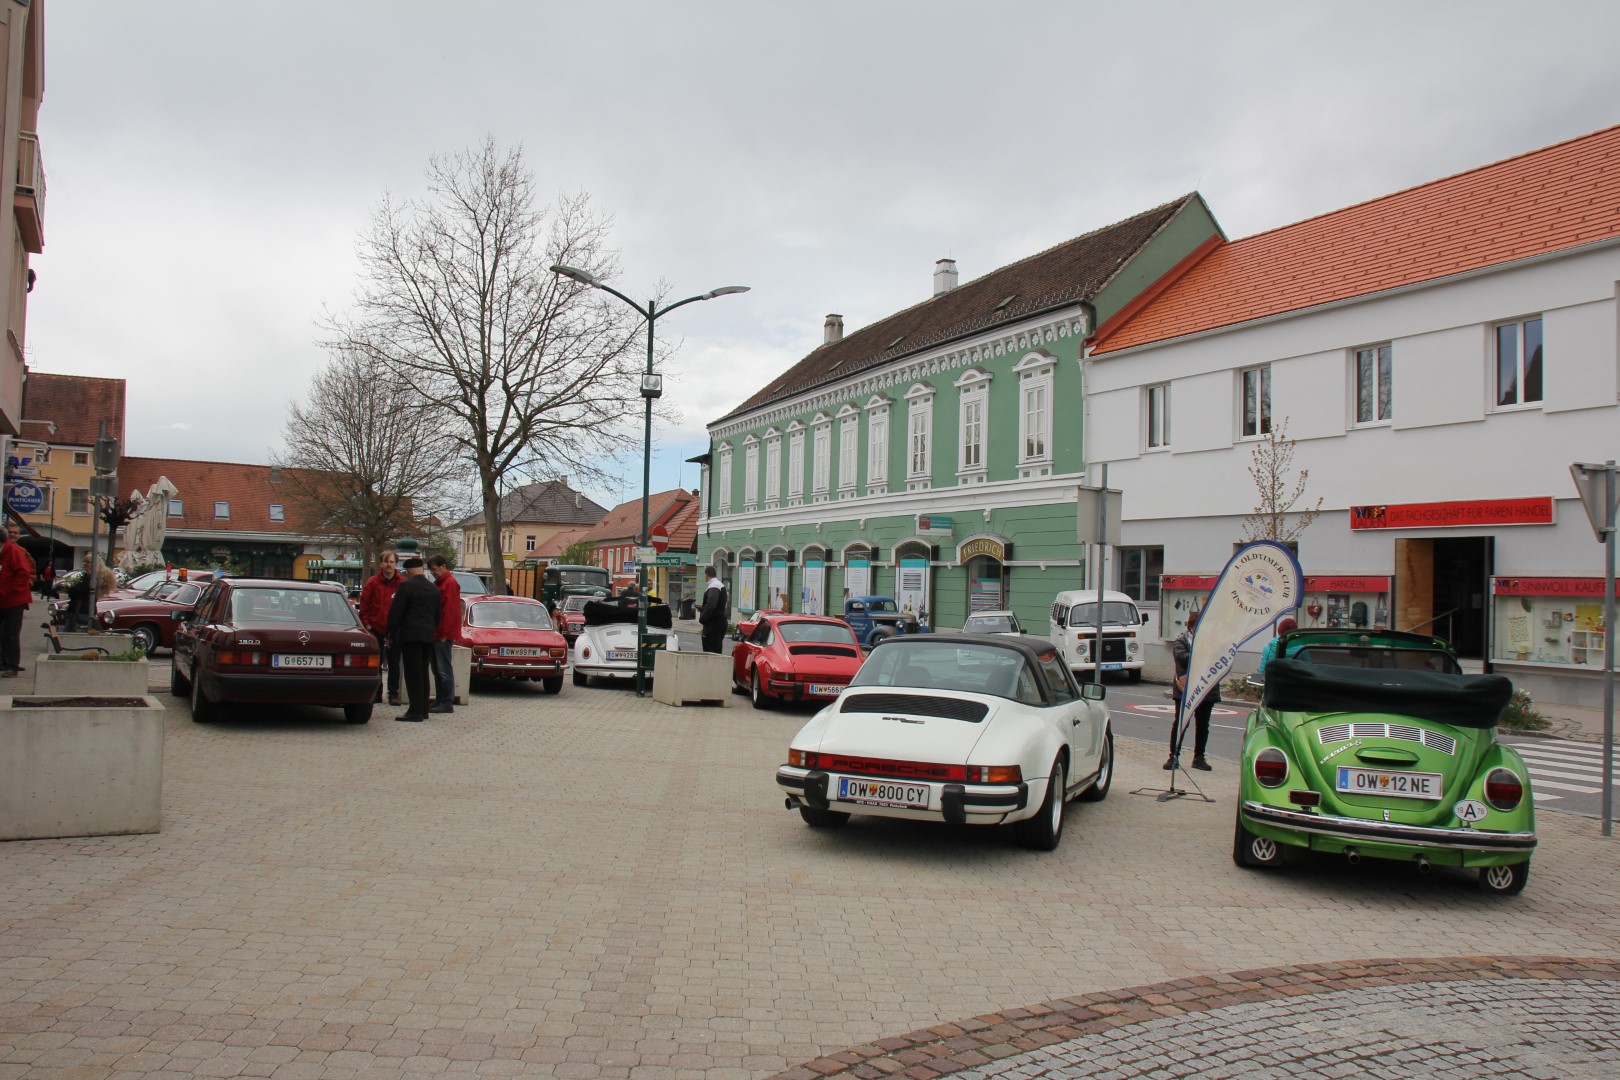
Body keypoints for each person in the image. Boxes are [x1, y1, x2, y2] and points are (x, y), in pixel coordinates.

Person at [385, 557, 440, 722]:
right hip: (428, 635)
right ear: (422, 569)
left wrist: (390, 634)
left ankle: (414, 711)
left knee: (412, 673)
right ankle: (423, 709)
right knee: (423, 672)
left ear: (408, 571)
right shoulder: (433, 589)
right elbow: (437, 615)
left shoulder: (406, 586)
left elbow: (396, 613)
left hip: (410, 635)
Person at [1167, 609, 1216, 772]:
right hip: (1185, 689)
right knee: (1181, 723)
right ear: (1191, 627)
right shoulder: (1181, 641)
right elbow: (1182, 658)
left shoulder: (1210, 642)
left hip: (1206, 689)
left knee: (1203, 725)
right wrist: (1201, 653)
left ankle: (1199, 757)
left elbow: (1216, 660)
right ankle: (1173, 756)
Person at [359, 552, 404, 705]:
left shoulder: (402, 584)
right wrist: (368, 625)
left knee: (394, 663)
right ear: (381, 564)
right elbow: (364, 607)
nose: (388, 565)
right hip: (375, 629)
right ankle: (377, 693)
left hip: (394, 630)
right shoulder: (372, 583)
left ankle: (393, 694)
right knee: (375, 663)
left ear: (396, 564)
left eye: (391, 562)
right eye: (386, 562)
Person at [427, 555, 460, 714]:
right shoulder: (441, 583)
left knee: (443, 668)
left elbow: (449, 611)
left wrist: (444, 632)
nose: (433, 572)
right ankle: (440, 699)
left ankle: (446, 701)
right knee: (437, 668)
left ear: (443, 566)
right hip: (438, 632)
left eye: (435, 569)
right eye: (431, 570)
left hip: (442, 634)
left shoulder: (449, 583)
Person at [0, 525, 34, 677]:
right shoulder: (4, 552)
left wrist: (9, 590)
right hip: (4, 600)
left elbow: (24, 572)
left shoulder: (13, 552)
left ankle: (12, 666)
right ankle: (4, 663)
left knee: (11, 633)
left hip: (14, 600)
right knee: (3, 633)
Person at [698, 567, 727, 654]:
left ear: (707, 574)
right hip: (719, 622)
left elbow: (711, 606)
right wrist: (702, 608)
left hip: (713, 625)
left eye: (704, 574)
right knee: (716, 649)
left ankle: (712, 668)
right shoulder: (719, 585)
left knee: (710, 652)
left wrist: (702, 618)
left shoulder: (714, 586)